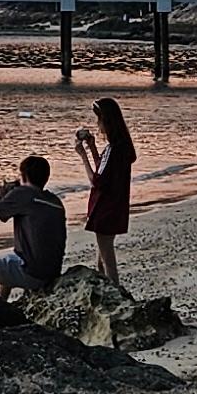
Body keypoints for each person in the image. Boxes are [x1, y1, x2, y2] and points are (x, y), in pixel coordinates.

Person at [75, 94, 137, 289]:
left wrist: (83, 155)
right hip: (116, 207)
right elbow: (105, 170)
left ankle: (115, 296)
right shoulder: (123, 148)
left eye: (99, 119)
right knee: (102, 260)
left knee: (108, 262)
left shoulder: (112, 149)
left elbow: (97, 180)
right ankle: (106, 293)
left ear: (106, 121)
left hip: (105, 210)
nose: (97, 124)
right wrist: (93, 147)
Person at [0, 155, 68, 294]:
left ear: (24, 176)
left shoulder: (22, 194)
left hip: (32, 273)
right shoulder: (54, 200)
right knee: (7, 259)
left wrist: (0, 196)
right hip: (52, 271)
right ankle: (1, 306)